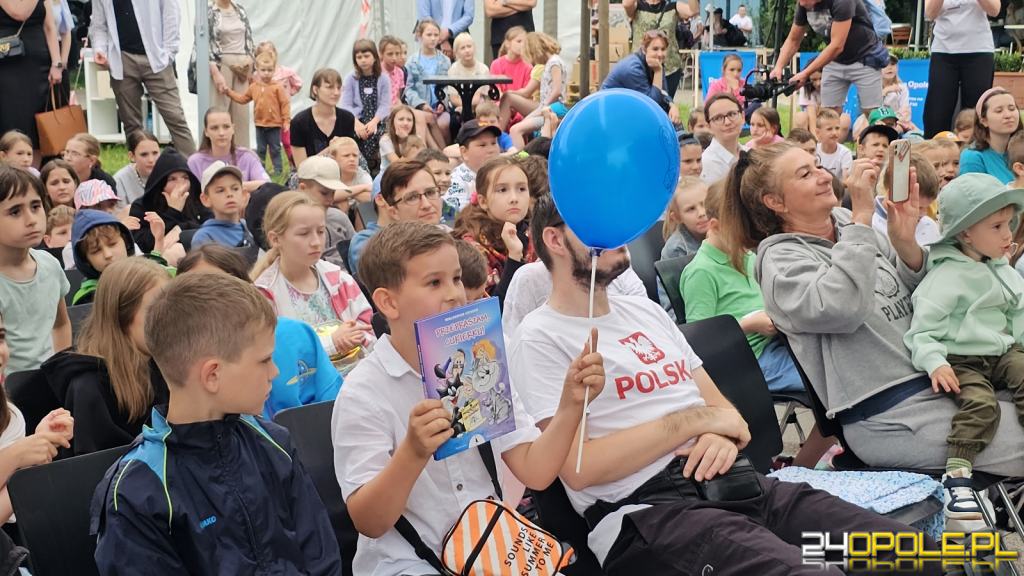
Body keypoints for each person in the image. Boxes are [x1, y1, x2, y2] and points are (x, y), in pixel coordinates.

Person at [510, 193, 937, 575]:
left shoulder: (647, 314)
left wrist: (717, 432)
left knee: (912, 555)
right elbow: (581, 469)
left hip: (739, 484)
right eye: (597, 223)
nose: (618, 229)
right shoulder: (540, 335)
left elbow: (732, 419)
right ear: (555, 240)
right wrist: (694, 422)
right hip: (650, 514)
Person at [721, 141, 1024, 479]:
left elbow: (922, 293)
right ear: (775, 202)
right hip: (890, 415)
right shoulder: (780, 261)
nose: (824, 176)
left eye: (818, 164)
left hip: (945, 377)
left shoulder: (844, 224)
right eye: (805, 174)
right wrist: (862, 220)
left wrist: (905, 242)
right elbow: (845, 308)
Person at [332, 220, 604, 574]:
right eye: (434, 282)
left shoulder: (484, 362)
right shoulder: (363, 392)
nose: (455, 294)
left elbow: (535, 471)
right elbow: (369, 521)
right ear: (388, 302)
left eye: (457, 278)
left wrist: (570, 406)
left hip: (493, 549)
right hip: (408, 563)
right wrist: (413, 452)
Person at [91, 273, 343, 574]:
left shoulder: (274, 442)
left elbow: (322, 559)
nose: (274, 372)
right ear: (212, 375)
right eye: (264, 360)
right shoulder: (138, 490)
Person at [902, 173, 1024, 527]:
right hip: (961, 358)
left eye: (1009, 224)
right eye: (997, 226)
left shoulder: (1000, 268)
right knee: (981, 405)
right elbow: (922, 332)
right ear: (966, 233)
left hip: (1001, 351)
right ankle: (958, 470)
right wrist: (935, 362)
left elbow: (1018, 311)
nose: (1007, 234)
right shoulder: (945, 278)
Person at [176, 244, 342, 420]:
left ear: (248, 289)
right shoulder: (182, 363)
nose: (208, 302)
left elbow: (335, 404)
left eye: (222, 289)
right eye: (194, 295)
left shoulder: (296, 335)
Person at [682, 179, 803, 396]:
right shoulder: (701, 272)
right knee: (825, 380)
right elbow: (699, 342)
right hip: (750, 360)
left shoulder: (746, 255)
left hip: (779, 343)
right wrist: (748, 325)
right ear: (715, 226)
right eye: (742, 228)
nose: (750, 233)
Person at [41, 257, 168, 457]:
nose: (168, 320)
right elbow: (102, 466)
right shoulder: (88, 387)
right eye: (155, 311)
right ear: (121, 316)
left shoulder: (165, 364)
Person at [252, 191, 375, 363]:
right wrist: (331, 343)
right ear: (275, 239)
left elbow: (368, 328)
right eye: (304, 234)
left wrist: (357, 336)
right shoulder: (265, 294)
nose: (316, 242)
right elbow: (275, 354)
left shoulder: (340, 280)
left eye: (321, 231)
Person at [89, 0, 196, 155]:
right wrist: (100, 49)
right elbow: (98, 24)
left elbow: (171, 13)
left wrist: (168, 53)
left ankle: (192, 165)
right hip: (121, 59)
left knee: (175, 117)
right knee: (131, 123)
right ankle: (139, 166)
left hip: (156, 57)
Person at [772, 0, 890, 125]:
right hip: (835, 60)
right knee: (828, 115)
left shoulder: (842, 2)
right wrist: (778, 67)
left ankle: (889, 134)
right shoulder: (803, 4)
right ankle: (827, 138)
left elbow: (837, 46)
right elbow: (793, 40)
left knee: (872, 113)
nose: (800, 3)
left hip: (865, 57)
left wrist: (805, 73)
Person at [0, 167, 70, 374]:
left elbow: (60, 324)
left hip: (49, 380)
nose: (31, 220)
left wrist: (62, 372)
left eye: (35, 206)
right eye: (15, 211)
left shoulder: (50, 265)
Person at [349, 159, 445, 277]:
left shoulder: (448, 237)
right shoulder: (368, 245)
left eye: (430, 192)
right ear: (393, 211)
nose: (427, 204)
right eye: (412, 197)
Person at [453, 156, 531, 299]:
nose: (514, 198)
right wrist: (514, 256)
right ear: (483, 201)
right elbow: (491, 308)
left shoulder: (536, 233)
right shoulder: (471, 246)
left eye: (521, 189)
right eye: (502, 190)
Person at [923, 0, 997, 137]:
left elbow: (994, 10)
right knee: (937, 110)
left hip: (979, 50)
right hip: (943, 50)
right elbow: (930, 13)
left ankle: (975, 146)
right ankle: (935, 147)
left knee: (976, 109)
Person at [68, 206, 171, 305]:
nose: (108, 254)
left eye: (112, 244)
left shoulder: (152, 273)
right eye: (96, 251)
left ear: (126, 242)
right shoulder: (88, 298)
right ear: (85, 260)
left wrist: (159, 240)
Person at [0, 0, 62, 156]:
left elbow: (50, 27)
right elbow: (19, 13)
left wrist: (57, 62)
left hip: (38, 63)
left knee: (36, 122)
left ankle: (34, 167)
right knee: (12, 117)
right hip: (8, 63)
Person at [224, 52, 290, 177]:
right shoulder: (254, 87)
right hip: (259, 124)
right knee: (261, 149)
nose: (266, 73)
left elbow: (284, 104)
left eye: (269, 70)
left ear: (274, 70)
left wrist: (286, 120)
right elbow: (243, 99)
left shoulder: (277, 87)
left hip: (274, 125)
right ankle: (260, 170)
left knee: (275, 148)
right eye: (263, 70)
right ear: (257, 70)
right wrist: (229, 92)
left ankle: (278, 170)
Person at [129, 148, 206, 255]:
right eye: (172, 179)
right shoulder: (142, 206)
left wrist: (182, 228)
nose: (181, 184)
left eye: (185, 178)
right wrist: (172, 212)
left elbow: (212, 230)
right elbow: (143, 244)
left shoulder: (198, 201)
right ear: (161, 183)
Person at [499, 32, 567, 150]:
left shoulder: (554, 63)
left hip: (554, 108)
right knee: (520, 126)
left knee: (515, 130)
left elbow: (557, 91)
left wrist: (544, 106)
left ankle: (519, 157)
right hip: (548, 107)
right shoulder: (551, 62)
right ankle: (523, 153)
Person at [205, 0, 254, 149]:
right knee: (219, 112)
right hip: (222, 65)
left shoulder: (239, 10)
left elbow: (249, 39)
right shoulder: (209, 11)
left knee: (241, 115)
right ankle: (216, 152)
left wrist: (250, 64)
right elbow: (205, 45)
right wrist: (215, 73)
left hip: (242, 67)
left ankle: (242, 154)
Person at [601, 31, 679, 124]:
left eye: (663, 49)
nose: (660, 54)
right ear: (644, 49)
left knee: (674, 123)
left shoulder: (655, 63)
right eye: (655, 49)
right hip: (611, 116)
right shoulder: (633, 69)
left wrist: (672, 105)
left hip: (629, 110)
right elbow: (652, 105)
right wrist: (658, 72)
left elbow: (663, 92)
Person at [622, 0, 695, 98]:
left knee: (664, 102)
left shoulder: (673, 6)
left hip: (670, 68)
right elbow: (627, 4)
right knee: (643, 101)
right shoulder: (637, 6)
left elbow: (692, 11)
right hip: (642, 68)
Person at [294, 155, 356, 269]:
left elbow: (357, 252)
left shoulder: (339, 217)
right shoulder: (291, 224)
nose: (331, 200)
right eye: (324, 193)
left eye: (333, 193)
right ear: (303, 188)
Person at [188, 108, 270, 194]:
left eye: (226, 127)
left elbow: (267, 184)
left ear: (233, 129)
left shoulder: (247, 156)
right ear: (206, 132)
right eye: (214, 128)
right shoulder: (195, 162)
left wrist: (233, 187)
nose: (221, 133)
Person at [290, 68, 358, 167]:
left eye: (339, 88)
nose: (336, 92)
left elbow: (350, 157)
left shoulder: (347, 118)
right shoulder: (299, 122)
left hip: (342, 171)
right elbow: (301, 167)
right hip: (310, 173)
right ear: (315, 90)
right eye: (330, 87)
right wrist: (330, 149)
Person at [342, 40, 391, 177]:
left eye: (366, 56)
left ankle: (378, 169)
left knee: (380, 137)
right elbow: (346, 105)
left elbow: (385, 105)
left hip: (378, 120)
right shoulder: (351, 79)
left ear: (374, 57)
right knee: (355, 137)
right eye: (359, 57)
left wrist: (374, 121)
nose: (363, 60)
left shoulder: (383, 78)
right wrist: (356, 123)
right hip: (357, 121)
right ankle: (361, 170)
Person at [873, 152, 942, 247]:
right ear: (893, 195)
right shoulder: (872, 225)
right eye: (918, 207)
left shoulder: (929, 225)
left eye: (927, 207)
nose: (924, 213)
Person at [404, 19, 452, 151]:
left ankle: (447, 150)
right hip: (420, 107)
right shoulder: (412, 62)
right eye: (429, 35)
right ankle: (434, 154)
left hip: (440, 108)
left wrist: (442, 102)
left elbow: (448, 86)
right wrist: (421, 104)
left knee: (443, 124)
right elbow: (408, 88)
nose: (433, 38)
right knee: (424, 122)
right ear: (420, 36)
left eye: (436, 35)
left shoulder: (445, 61)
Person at [254, 41, 302, 171]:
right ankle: (274, 167)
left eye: (270, 53)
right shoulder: (258, 76)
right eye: (263, 54)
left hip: (282, 114)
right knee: (270, 142)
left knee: (286, 140)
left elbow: (298, 83)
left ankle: (294, 163)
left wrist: (288, 93)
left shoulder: (285, 72)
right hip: (267, 117)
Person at [960, 87, 1022, 184]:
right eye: (999, 111)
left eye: (1012, 109)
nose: (1008, 115)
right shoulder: (972, 157)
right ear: (983, 121)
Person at [445, 120, 501, 219]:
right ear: (464, 152)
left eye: (494, 143)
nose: (491, 150)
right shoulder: (456, 182)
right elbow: (453, 220)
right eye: (482, 145)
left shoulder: (504, 173)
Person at [192, 161, 252, 249]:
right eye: (220, 190)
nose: (229, 194)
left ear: (244, 194)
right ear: (205, 199)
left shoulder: (250, 229)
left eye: (235, 189)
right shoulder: (204, 237)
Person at [700, 93, 743, 184]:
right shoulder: (706, 165)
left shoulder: (751, 154)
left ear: (743, 117)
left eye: (732, 114)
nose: (727, 122)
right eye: (718, 118)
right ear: (709, 126)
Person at [447, 33, 491, 115]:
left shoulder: (483, 69)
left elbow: (477, 99)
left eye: (469, 46)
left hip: (479, 107)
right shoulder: (453, 69)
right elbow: (453, 98)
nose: (467, 50)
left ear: (474, 48)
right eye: (462, 48)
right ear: (456, 52)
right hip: (458, 106)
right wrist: (464, 107)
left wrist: (466, 108)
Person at [113, 130, 161, 207]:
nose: (151, 160)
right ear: (132, 156)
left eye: (155, 153)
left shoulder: (170, 174)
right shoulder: (120, 180)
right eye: (144, 154)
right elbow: (119, 212)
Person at [489, 26, 532, 94]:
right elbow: (495, 90)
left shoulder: (528, 67)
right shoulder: (496, 64)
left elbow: (527, 93)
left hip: (519, 100)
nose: (522, 45)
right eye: (519, 41)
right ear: (507, 44)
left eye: (525, 42)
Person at [380, 105, 418, 174]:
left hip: (410, 174)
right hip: (389, 176)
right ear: (392, 122)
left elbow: (423, 160)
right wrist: (406, 140)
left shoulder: (417, 138)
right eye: (401, 119)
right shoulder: (385, 140)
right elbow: (398, 166)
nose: (405, 123)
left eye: (409, 120)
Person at [816, 108, 852, 179]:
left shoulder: (845, 153)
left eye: (837, 128)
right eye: (829, 129)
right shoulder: (814, 151)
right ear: (818, 132)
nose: (834, 132)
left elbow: (846, 180)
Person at [379, 35, 406, 108]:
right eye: (390, 54)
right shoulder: (376, 72)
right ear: (381, 54)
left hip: (395, 109)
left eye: (397, 53)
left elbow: (397, 97)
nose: (394, 58)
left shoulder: (400, 72)